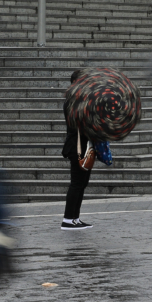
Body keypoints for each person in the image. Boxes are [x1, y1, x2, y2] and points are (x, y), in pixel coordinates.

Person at [61, 70, 94, 230]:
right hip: (77, 147)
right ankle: (68, 219)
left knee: (82, 183)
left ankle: (75, 218)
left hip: (84, 146)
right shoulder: (72, 102)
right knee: (76, 183)